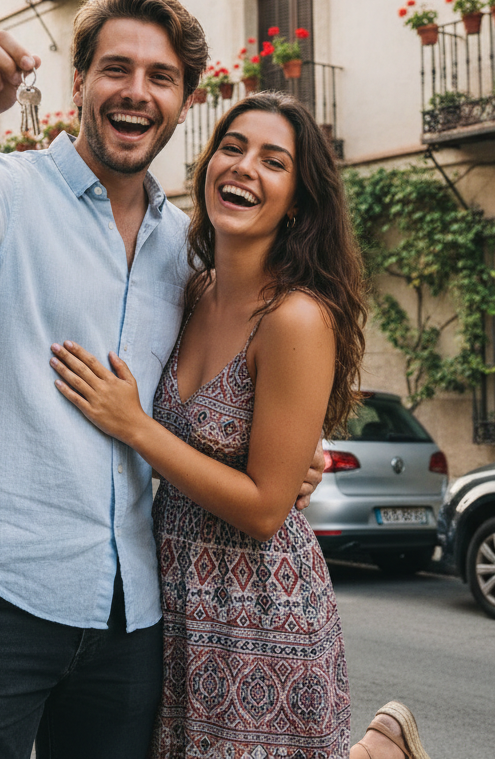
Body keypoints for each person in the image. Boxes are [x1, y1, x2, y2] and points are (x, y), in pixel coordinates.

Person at [0, 0, 325, 759]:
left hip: (131, 614)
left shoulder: (184, 249)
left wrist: (281, 464)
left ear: (184, 104)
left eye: (160, 77)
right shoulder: (4, 189)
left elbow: (217, 384)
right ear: (79, 83)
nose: (136, 91)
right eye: (116, 68)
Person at [49, 92, 432, 759]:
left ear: (298, 201)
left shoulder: (296, 318)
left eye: (273, 160)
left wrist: (135, 426)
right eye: (232, 147)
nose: (245, 167)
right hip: (171, 590)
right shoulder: (190, 290)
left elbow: (263, 509)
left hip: (259, 602)